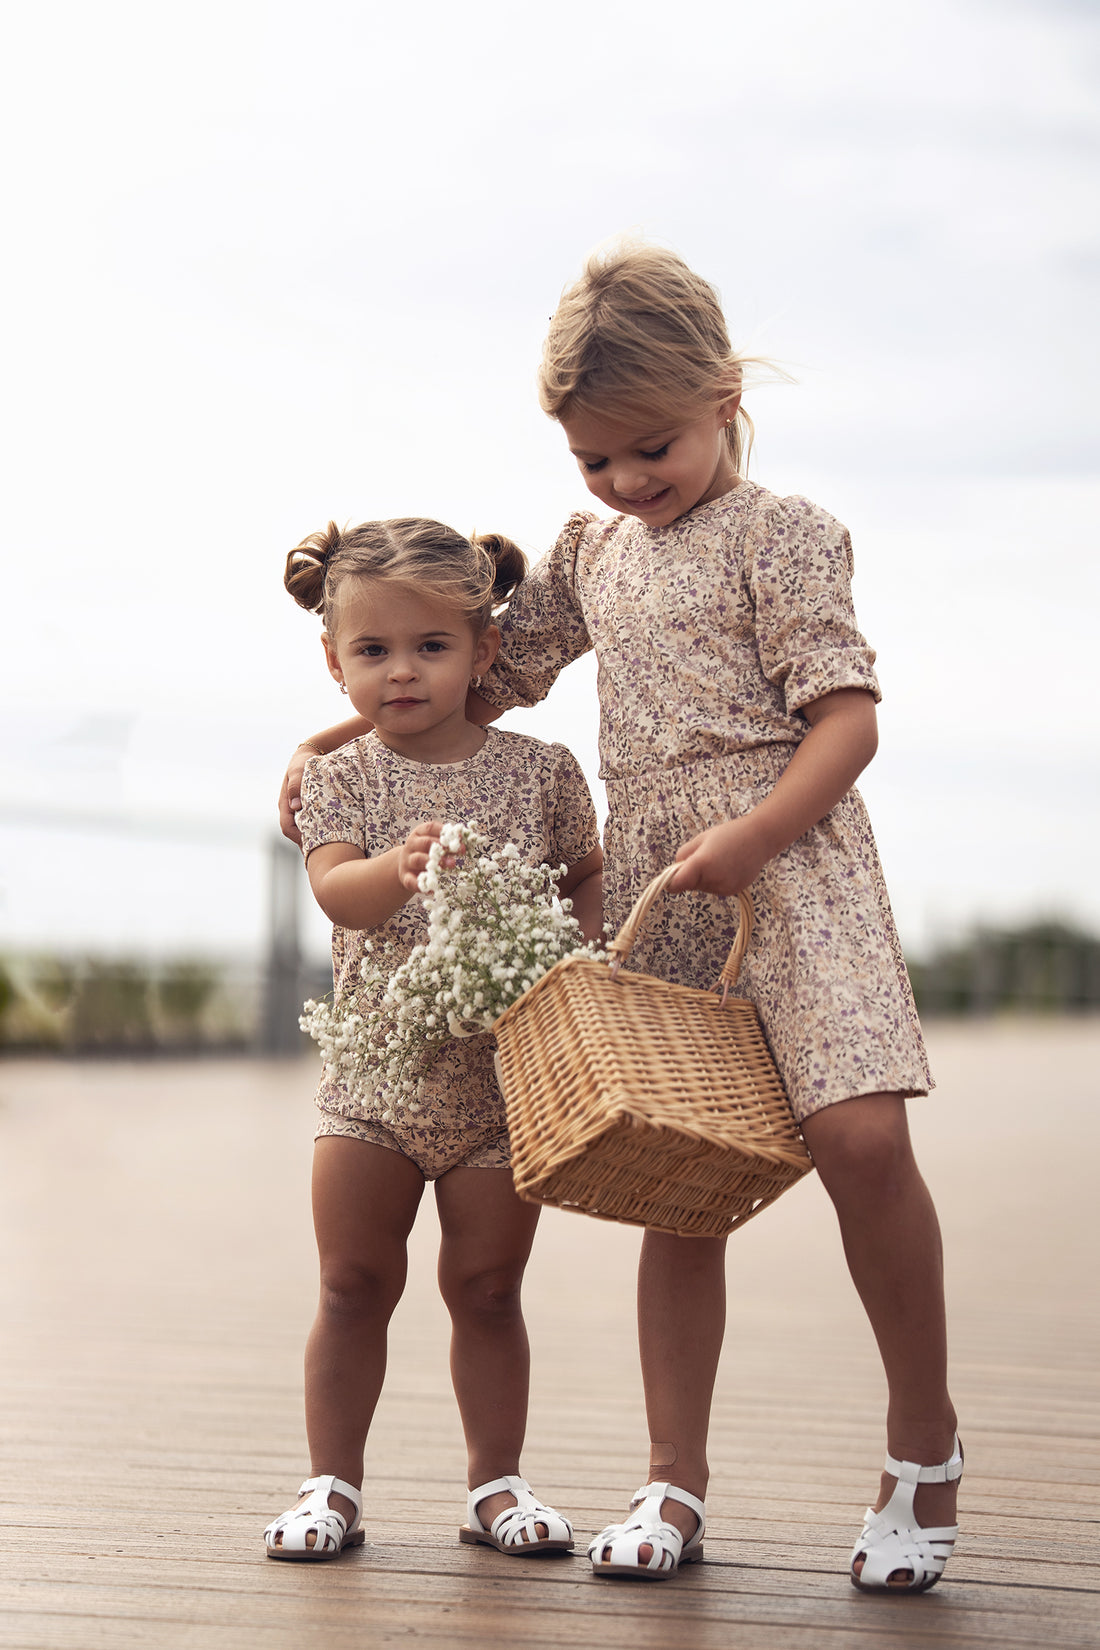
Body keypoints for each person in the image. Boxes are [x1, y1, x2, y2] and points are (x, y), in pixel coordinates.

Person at [277, 244, 960, 1594]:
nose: (627, 482)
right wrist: (334, 734)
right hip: (653, 868)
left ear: (722, 394)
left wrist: (754, 834)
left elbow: (849, 716)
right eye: (596, 462)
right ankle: (674, 1477)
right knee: (678, 1168)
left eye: (651, 448)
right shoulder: (592, 552)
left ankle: (922, 1447)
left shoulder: (785, 532)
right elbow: (481, 671)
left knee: (858, 1135)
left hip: (790, 857)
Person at [264, 516, 603, 1562]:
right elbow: (336, 891)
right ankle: (332, 1484)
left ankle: (494, 1484)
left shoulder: (541, 773)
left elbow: (586, 878)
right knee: (351, 1282)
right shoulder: (342, 778)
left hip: (500, 1085)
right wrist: (397, 868)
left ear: (483, 652)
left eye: (430, 647)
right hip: (373, 1076)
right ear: (334, 662)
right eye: (371, 651)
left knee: (488, 1290)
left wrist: (567, 951)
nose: (400, 672)